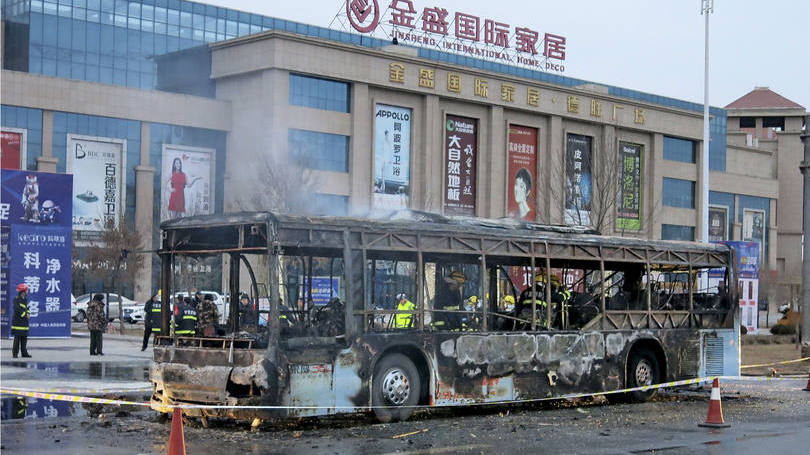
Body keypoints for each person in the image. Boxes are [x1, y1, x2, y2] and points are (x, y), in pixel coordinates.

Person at [11, 283, 31, 358]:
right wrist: (25, 314)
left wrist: (28, 313)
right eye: (26, 290)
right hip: (18, 323)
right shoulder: (16, 300)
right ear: (23, 291)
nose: (27, 291)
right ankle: (15, 353)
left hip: (24, 323)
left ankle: (24, 353)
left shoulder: (25, 300)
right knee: (17, 339)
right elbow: (17, 310)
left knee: (24, 339)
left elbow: (27, 308)